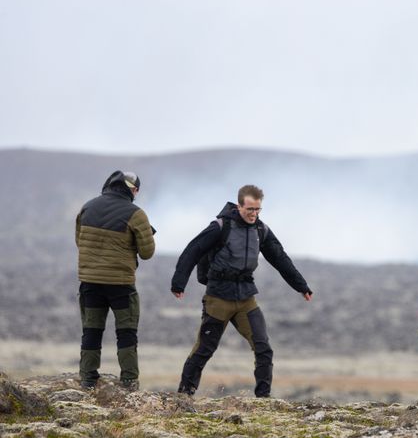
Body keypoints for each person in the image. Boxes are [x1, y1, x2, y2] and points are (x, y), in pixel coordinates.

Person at [171, 184, 312, 397]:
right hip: (219, 298)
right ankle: (183, 397)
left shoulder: (260, 230)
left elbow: (279, 257)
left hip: (246, 298)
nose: (254, 214)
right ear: (239, 206)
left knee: (264, 348)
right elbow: (193, 250)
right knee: (204, 350)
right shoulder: (220, 226)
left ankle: (263, 401)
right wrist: (178, 282)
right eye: (250, 210)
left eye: (258, 210)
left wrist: (300, 285)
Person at [75, 170, 155, 391]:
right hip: (121, 284)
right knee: (126, 332)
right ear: (133, 190)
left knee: (91, 330)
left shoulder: (87, 207)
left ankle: (88, 380)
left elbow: (79, 241)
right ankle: (129, 382)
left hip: (90, 281)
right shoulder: (136, 214)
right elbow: (147, 253)